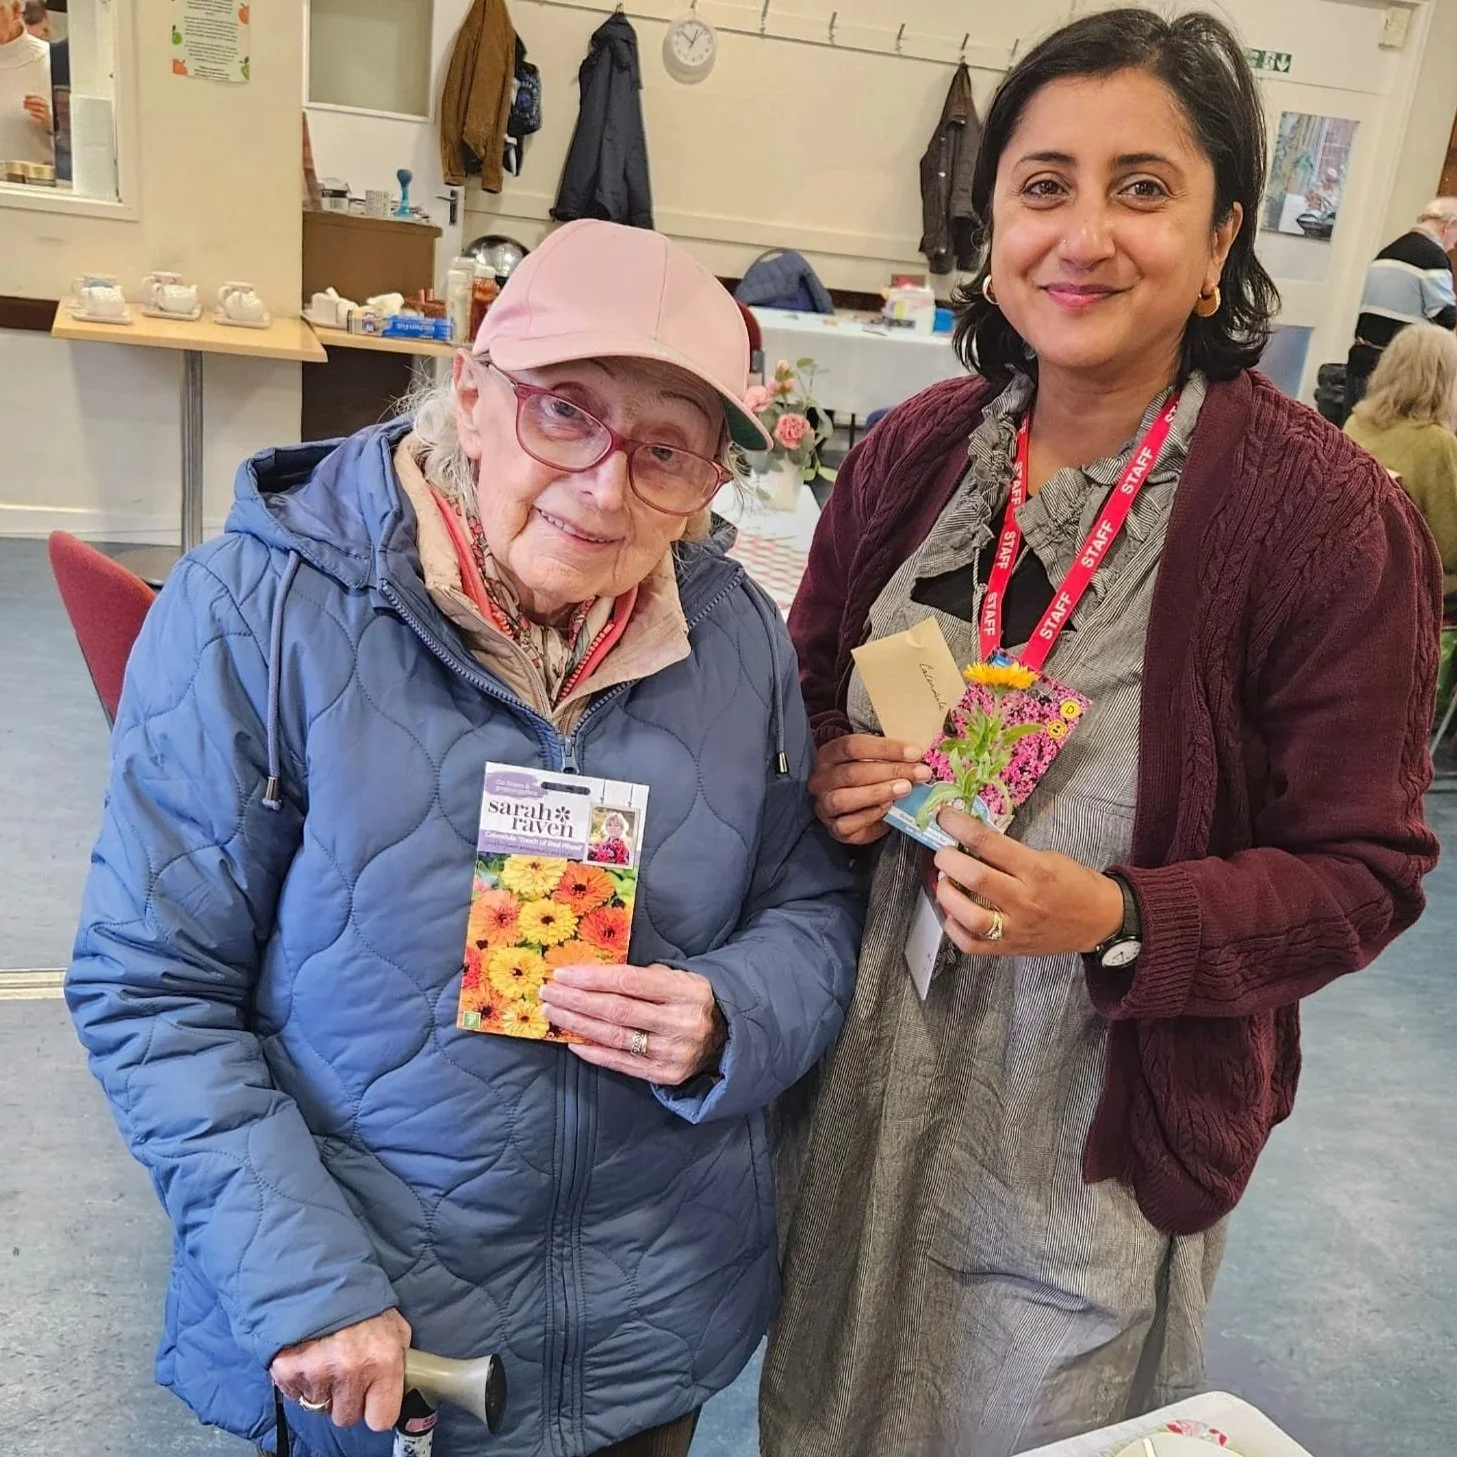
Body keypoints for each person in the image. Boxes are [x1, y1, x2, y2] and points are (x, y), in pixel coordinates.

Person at [66, 219, 861, 1457]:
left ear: (710, 478)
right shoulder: (257, 610)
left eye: (665, 448)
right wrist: (308, 1282)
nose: (606, 485)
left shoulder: (734, 635)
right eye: (564, 412)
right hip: (386, 1337)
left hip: (651, 1324)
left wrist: (729, 1015)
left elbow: (808, 905)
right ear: (475, 396)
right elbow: (151, 986)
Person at [762, 11, 1441, 1457]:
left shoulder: (1323, 522)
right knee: (825, 1415)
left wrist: (1121, 916)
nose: (1082, 236)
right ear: (991, 223)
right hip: (862, 1089)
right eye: (1042, 184)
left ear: (1219, 239)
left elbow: (1363, 874)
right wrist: (828, 760)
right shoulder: (916, 453)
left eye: (1141, 188)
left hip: (1082, 1133)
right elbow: (806, 685)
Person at [1346, 323, 1457, 609]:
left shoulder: (1355, 424)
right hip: (1414, 588)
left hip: (1356, 576)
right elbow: (1450, 552)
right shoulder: (1436, 443)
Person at [1345, 198, 1457, 419]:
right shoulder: (1432, 258)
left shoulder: (1387, 252)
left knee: (1355, 432)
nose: (1454, 245)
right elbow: (1447, 317)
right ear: (1449, 225)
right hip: (1394, 372)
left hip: (1360, 360)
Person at [0, 0, 53, 164]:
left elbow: (85, 139)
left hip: (33, 177)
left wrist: (52, 121)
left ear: (16, 11)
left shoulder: (49, 59)